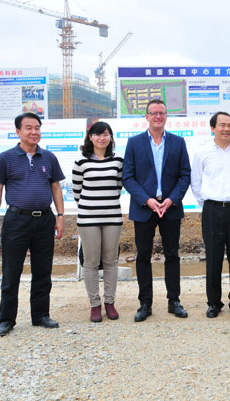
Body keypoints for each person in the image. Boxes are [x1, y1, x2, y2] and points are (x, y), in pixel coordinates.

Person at [0, 112, 65, 337]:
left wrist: (60, 216)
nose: (34, 132)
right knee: (11, 272)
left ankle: (40, 315)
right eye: (29, 128)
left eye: (37, 128)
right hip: (16, 220)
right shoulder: (5, 158)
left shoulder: (48, 158)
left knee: (43, 270)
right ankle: (6, 319)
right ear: (18, 132)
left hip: (44, 220)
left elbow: (56, 188)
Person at [122, 99, 191, 322]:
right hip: (145, 208)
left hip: (170, 208)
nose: (158, 116)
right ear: (147, 117)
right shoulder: (134, 143)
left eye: (162, 113)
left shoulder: (178, 143)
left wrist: (171, 199)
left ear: (166, 116)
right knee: (143, 256)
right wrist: (147, 200)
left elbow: (185, 175)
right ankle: (145, 303)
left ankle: (174, 301)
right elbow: (128, 177)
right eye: (154, 113)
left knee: (172, 255)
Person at [191, 111, 230, 318]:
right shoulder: (203, 153)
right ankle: (214, 303)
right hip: (212, 210)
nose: (227, 129)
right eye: (222, 125)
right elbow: (196, 183)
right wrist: (210, 203)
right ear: (212, 128)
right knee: (213, 258)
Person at [72, 121, 123, 323]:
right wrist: (91, 206)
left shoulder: (118, 161)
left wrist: (105, 204)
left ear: (110, 138)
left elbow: (118, 188)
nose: (102, 138)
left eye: (106, 134)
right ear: (90, 137)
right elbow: (77, 192)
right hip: (88, 218)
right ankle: (95, 304)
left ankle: (109, 302)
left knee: (111, 261)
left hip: (112, 217)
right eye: (98, 134)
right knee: (91, 262)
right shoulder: (81, 163)